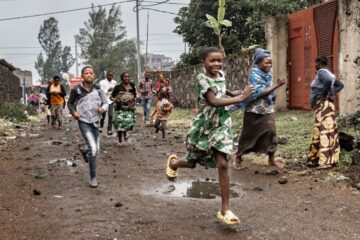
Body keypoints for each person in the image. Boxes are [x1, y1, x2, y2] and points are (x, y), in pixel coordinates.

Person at [165, 47, 254, 225]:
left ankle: (225, 210)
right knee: (191, 162)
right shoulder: (201, 78)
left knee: (222, 163)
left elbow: (221, 89)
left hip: (221, 123)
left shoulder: (220, 74)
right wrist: (240, 98)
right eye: (212, 61)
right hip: (205, 125)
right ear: (203, 62)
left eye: (219, 60)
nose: (217, 64)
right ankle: (174, 163)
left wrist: (233, 93)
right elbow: (213, 101)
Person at [234, 48, 286, 169]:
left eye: (270, 62)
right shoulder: (254, 73)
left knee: (271, 131)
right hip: (253, 108)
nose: (269, 65)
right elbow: (259, 92)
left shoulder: (269, 72)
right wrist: (276, 85)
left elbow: (268, 91)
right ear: (258, 62)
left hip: (267, 108)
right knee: (247, 134)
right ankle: (238, 157)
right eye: (266, 62)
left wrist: (275, 88)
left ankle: (271, 159)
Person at [67, 66, 108, 188]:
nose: (89, 75)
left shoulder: (98, 89)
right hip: (83, 121)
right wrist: (74, 112)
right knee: (94, 150)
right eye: (86, 73)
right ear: (82, 76)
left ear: (94, 75)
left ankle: (85, 150)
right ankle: (93, 178)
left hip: (96, 121)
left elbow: (105, 102)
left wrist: (103, 108)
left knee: (96, 149)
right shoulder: (77, 90)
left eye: (91, 73)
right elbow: (70, 103)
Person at [307, 55, 344, 169]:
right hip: (327, 105)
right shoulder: (329, 73)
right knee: (325, 130)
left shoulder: (322, 72)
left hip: (323, 105)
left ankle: (325, 161)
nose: (314, 66)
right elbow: (340, 85)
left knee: (324, 131)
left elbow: (328, 82)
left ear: (318, 63)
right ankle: (319, 160)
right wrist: (331, 93)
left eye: (315, 63)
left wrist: (324, 95)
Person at [111, 72, 137, 146]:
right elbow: (111, 97)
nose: (127, 78)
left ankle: (125, 132)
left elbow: (134, 96)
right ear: (122, 78)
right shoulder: (118, 87)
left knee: (129, 123)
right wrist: (116, 100)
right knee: (119, 123)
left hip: (129, 109)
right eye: (125, 77)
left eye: (128, 77)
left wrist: (133, 102)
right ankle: (120, 141)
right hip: (119, 108)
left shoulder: (132, 86)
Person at [99, 70, 117, 135]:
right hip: (104, 100)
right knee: (103, 115)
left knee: (111, 115)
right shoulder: (102, 82)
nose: (111, 77)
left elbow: (115, 91)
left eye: (112, 75)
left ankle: (109, 130)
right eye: (109, 75)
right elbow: (101, 91)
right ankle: (101, 126)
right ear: (106, 75)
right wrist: (108, 90)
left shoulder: (114, 82)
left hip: (111, 100)